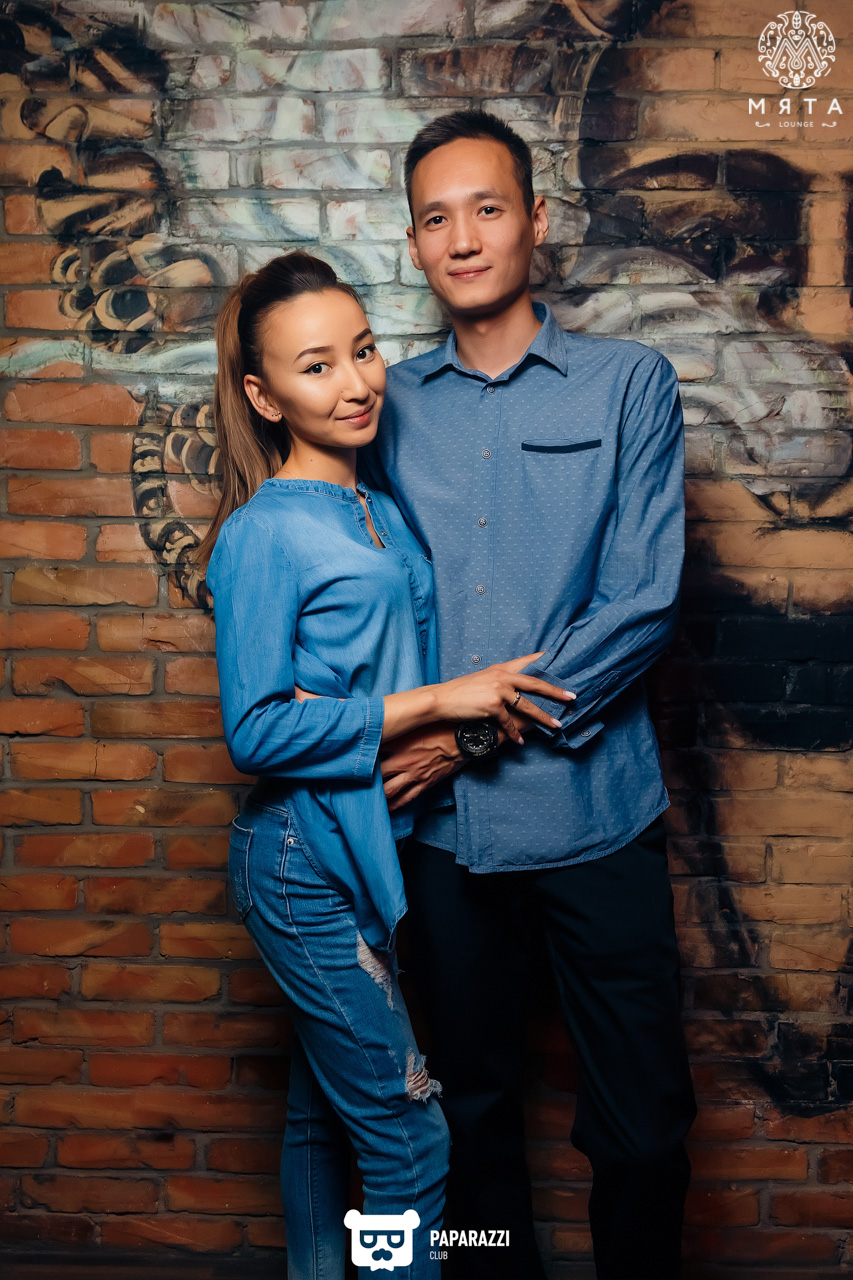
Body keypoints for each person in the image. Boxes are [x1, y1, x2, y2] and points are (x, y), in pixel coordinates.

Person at [359, 110, 699, 1280]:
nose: (463, 239)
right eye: (435, 217)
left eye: (487, 208)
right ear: (413, 242)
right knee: (466, 1118)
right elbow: (362, 603)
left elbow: (641, 603)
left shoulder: (627, 384)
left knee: (642, 1124)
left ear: (536, 221)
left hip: (596, 814)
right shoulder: (382, 405)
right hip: (440, 839)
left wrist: (460, 738)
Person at [195, 250, 573, 1280]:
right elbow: (254, 730)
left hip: (373, 849)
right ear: (264, 396)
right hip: (301, 860)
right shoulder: (264, 531)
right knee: (410, 1139)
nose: (356, 383)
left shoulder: (380, 509)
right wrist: (442, 702)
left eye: (363, 351)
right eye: (316, 367)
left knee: (325, 1119)